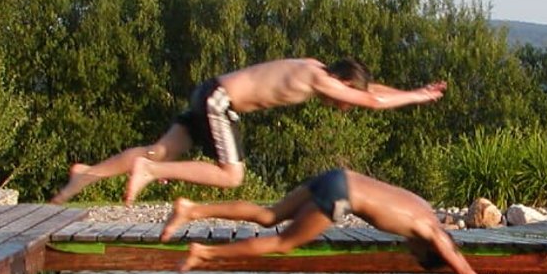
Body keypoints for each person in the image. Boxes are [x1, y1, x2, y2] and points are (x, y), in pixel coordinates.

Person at [51, 58, 446, 204]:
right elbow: (372, 101)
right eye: (346, 98)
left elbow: (371, 91)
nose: (346, 106)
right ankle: (150, 173)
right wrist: (415, 97)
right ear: (342, 83)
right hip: (219, 101)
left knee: (158, 150)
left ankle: (85, 176)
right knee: (232, 175)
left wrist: (416, 91)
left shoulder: (314, 67)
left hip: (208, 92)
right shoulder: (318, 79)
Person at [160, 168, 527, 274]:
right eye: (414, 255)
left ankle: (191, 209)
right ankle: (204, 253)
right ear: (428, 250)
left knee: (269, 215)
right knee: (283, 243)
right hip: (342, 196)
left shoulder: (425, 209)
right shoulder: (432, 235)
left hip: (338, 175)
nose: (407, 250)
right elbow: (465, 270)